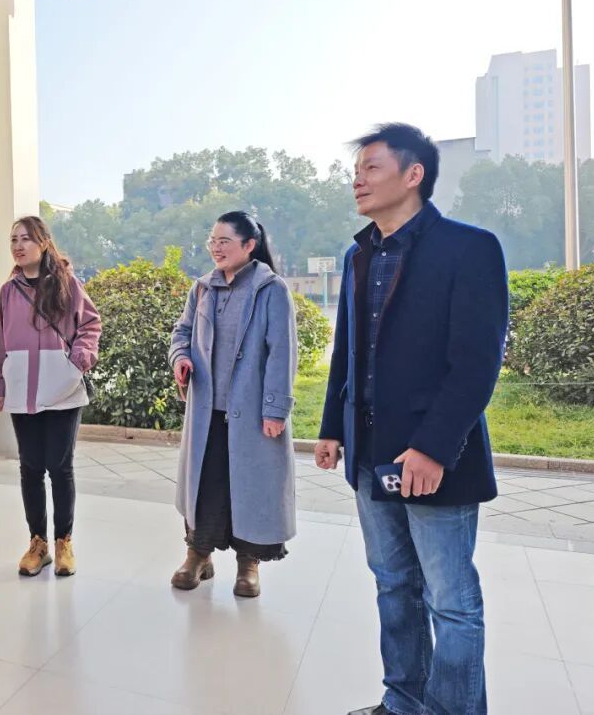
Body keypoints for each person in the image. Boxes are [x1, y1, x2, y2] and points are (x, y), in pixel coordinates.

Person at [315, 124, 508, 715]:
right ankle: (402, 702)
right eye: (356, 171)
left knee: (451, 601)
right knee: (393, 585)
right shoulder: (358, 255)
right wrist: (331, 426)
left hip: (434, 457)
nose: (358, 180)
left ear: (413, 174)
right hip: (369, 453)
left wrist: (433, 446)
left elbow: (476, 362)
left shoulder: (469, 248)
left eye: (371, 167)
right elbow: (348, 352)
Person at [168, 211, 297, 597]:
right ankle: (198, 555)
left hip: (253, 412)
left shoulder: (271, 289)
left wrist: (275, 409)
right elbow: (182, 332)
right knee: (206, 486)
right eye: (212, 240)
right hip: (206, 411)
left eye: (224, 240)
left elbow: (282, 353)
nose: (216, 248)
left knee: (250, 490)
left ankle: (248, 564)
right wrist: (180, 357)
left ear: (249, 245)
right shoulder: (202, 288)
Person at [0, 216, 101, 576]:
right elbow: (0, 341)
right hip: (22, 389)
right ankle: (37, 544)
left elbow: (90, 324)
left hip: (62, 388)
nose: (18, 246)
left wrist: (79, 358)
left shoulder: (67, 283)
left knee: (60, 467)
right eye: (13, 240)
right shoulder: (8, 291)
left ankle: (63, 541)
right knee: (30, 467)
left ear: (43, 242)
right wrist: (0, 385)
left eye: (25, 238)